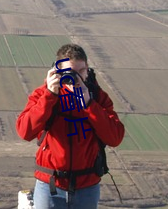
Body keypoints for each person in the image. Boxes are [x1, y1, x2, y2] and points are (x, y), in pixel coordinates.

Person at [16, 44, 125, 209]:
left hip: (86, 186)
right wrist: (50, 95)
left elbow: (115, 137)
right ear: (57, 71)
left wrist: (89, 104)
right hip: (51, 184)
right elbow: (25, 131)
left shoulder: (97, 97)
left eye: (81, 71)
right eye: (70, 72)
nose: (76, 77)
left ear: (87, 70)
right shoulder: (44, 94)